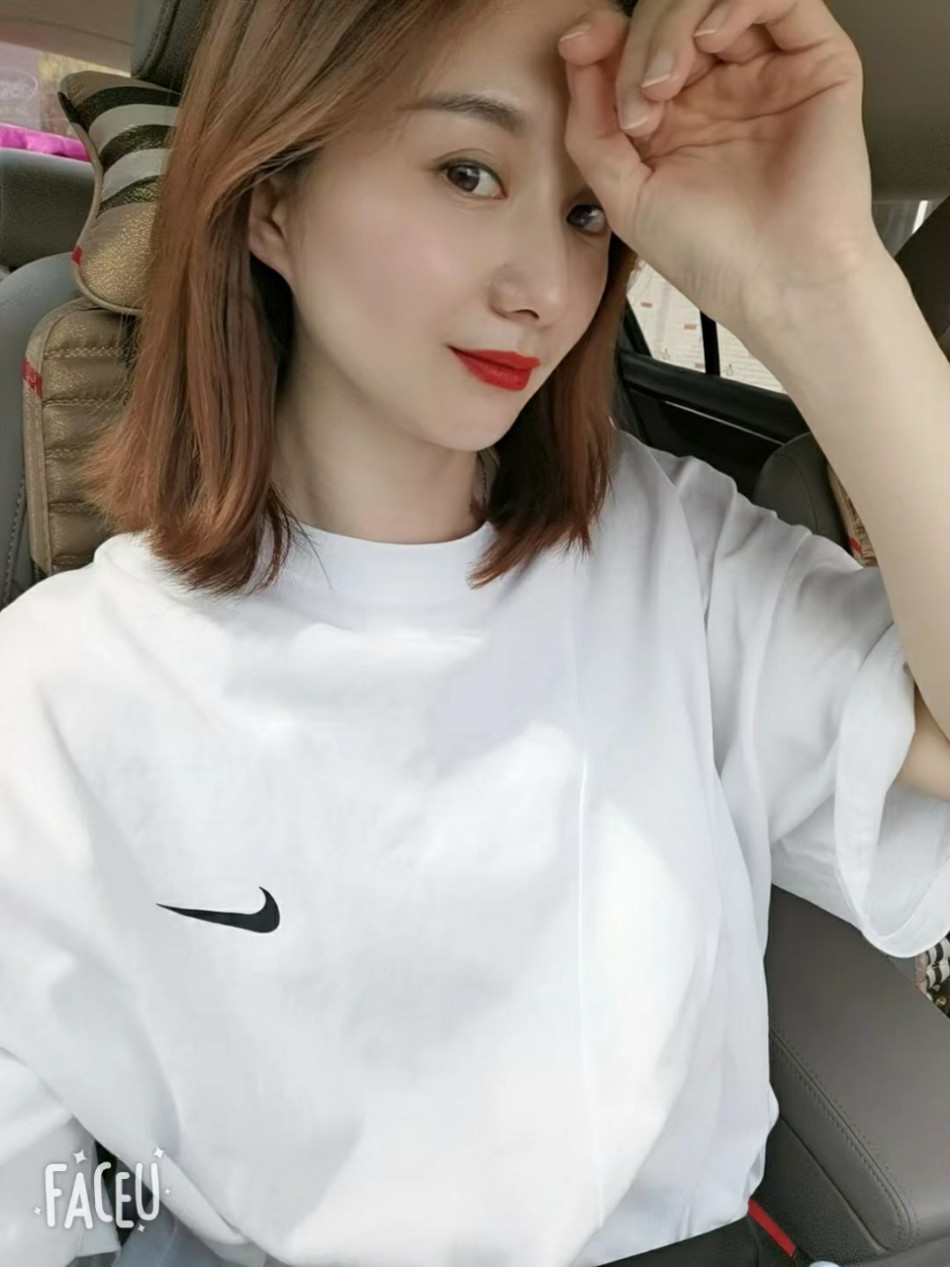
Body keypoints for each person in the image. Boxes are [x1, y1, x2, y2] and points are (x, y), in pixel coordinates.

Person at [2, 0, 949, 1264]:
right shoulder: (52, 700)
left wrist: (824, 280)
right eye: (466, 172)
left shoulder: (674, 559)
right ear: (272, 198)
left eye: (585, 214)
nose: (543, 288)